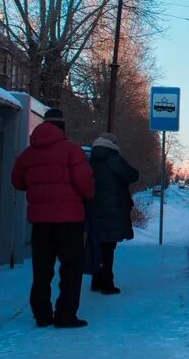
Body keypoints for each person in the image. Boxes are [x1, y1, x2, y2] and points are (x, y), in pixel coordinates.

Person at [11, 109, 95, 328]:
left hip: (40, 222)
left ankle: (42, 314)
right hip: (70, 221)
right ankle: (65, 315)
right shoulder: (71, 151)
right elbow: (86, 185)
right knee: (71, 269)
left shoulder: (28, 154)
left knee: (42, 270)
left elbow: (17, 182)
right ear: (62, 127)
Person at [87, 133, 140, 295]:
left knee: (97, 246)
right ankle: (107, 284)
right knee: (108, 248)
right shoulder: (114, 159)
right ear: (113, 144)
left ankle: (96, 280)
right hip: (113, 210)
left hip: (94, 209)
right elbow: (132, 175)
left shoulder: (91, 159)